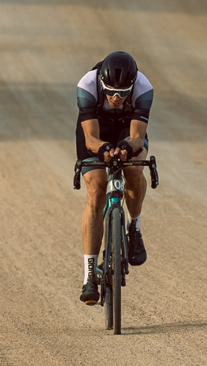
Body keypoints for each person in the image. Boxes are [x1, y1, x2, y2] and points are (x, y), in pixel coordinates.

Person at [75, 51, 154, 305]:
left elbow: (137, 137)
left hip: (126, 131)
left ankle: (134, 227)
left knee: (134, 169)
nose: (116, 98)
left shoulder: (143, 88)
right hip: (97, 132)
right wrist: (104, 149)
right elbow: (90, 139)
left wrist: (126, 148)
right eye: (110, 91)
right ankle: (89, 275)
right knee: (96, 190)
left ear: (133, 85)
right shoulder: (87, 85)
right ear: (101, 83)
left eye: (122, 93)